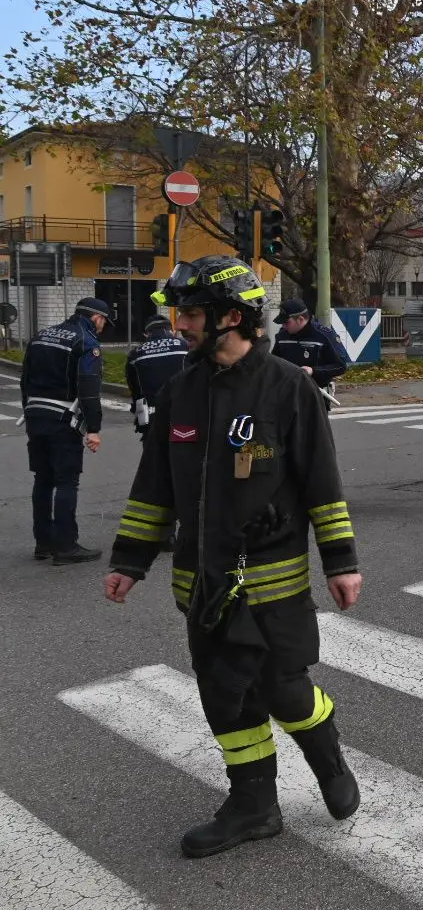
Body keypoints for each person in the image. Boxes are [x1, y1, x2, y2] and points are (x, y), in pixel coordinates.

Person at [103, 256, 363, 858]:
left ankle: (326, 757)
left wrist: (341, 562)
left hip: (272, 581)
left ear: (231, 317)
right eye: (179, 311)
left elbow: (323, 483)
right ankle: (253, 805)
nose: (180, 323)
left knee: (283, 689)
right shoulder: (180, 391)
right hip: (202, 582)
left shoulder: (288, 386)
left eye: (191, 312)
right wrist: (129, 560)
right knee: (224, 694)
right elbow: (154, 487)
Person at [19, 296, 109, 564]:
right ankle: (66, 546)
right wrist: (93, 429)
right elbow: (89, 389)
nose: (104, 327)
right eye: (104, 322)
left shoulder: (41, 336)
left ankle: (43, 543)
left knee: (43, 479)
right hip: (63, 420)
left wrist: (29, 413)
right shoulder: (87, 342)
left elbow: (25, 379)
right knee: (67, 481)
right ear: (96, 318)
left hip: (35, 416)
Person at [270, 298, 349, 401]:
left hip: (316, 396)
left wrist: (313, 371)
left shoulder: (323, 336)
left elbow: (341, 366)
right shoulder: (282, 336)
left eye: (287, 322)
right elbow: (275, 362)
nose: (283, 326)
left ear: (301, 319)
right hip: (287, 395)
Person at [126, 315, 188, 437]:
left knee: (153, 454)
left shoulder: (135, 354)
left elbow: (134, 388)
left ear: (147, 333)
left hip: (151, 418)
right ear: (172, 331)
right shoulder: (185, 346)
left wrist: (136, 410)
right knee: (182, 453)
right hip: (183, 415)